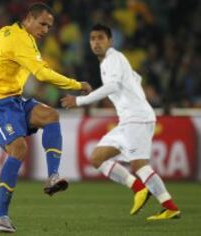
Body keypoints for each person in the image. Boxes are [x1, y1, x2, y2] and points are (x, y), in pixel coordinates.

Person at [0, 2, 92, 232]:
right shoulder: (20, 40)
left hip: (14, 100)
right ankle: (1, 216)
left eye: (49, 26)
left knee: (50, 115)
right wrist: (76, 85)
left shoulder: (9, 31)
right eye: (42, 24)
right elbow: (42, 74)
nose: (46, 29)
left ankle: (53, 176)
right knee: (19, 148)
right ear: (29, 19)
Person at [61, 23, 181, 220]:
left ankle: (170, 207)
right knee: (97, 158)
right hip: (128, 120)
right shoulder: (110, 62)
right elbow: (137, 78)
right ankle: (139, 188)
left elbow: (113, 86)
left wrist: (79, 100)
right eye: (93, 39)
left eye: (101, 38)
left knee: (139, 165)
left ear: (110, 41)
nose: (96, 42)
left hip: (137, 118)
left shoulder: (113, 58)